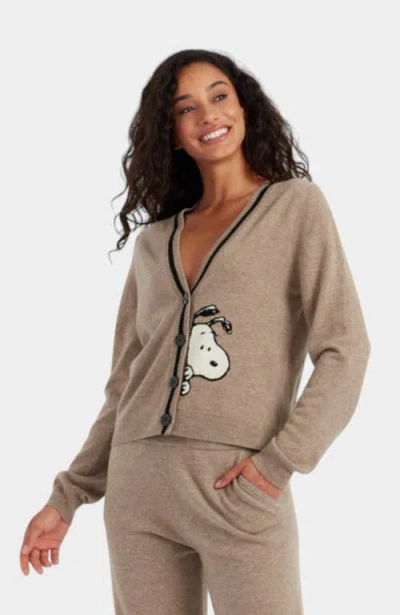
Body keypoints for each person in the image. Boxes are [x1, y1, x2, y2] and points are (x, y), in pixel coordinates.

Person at [20, 49, 371, 614]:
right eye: (186, 108)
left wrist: (277, 464)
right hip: (138, 490)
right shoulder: (153, 242)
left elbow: (345, 347)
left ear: (245, 108)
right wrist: (67, 497)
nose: (208, 115)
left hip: (237, 486)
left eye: (219, 96)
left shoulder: (295, 207)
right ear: (173, 134)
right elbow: (125, 384)